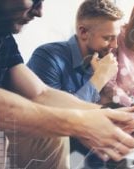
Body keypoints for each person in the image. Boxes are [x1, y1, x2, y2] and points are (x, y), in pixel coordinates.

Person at [0, 0, 134, 168]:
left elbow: (41, 93)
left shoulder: (2, 38)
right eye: (34, 0)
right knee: (49, 136)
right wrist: (78, 121)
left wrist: (106, 115)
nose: (40, 12)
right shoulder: (49, 56)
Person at [26, 0, 124, 167]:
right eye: (108, 38)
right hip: (52, 156)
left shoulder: (99, 61)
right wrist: (99, 79)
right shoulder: (47, 57)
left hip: (89, 154)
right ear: (83, 32)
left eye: (116, 38)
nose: (114, 46)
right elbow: (54, 120)